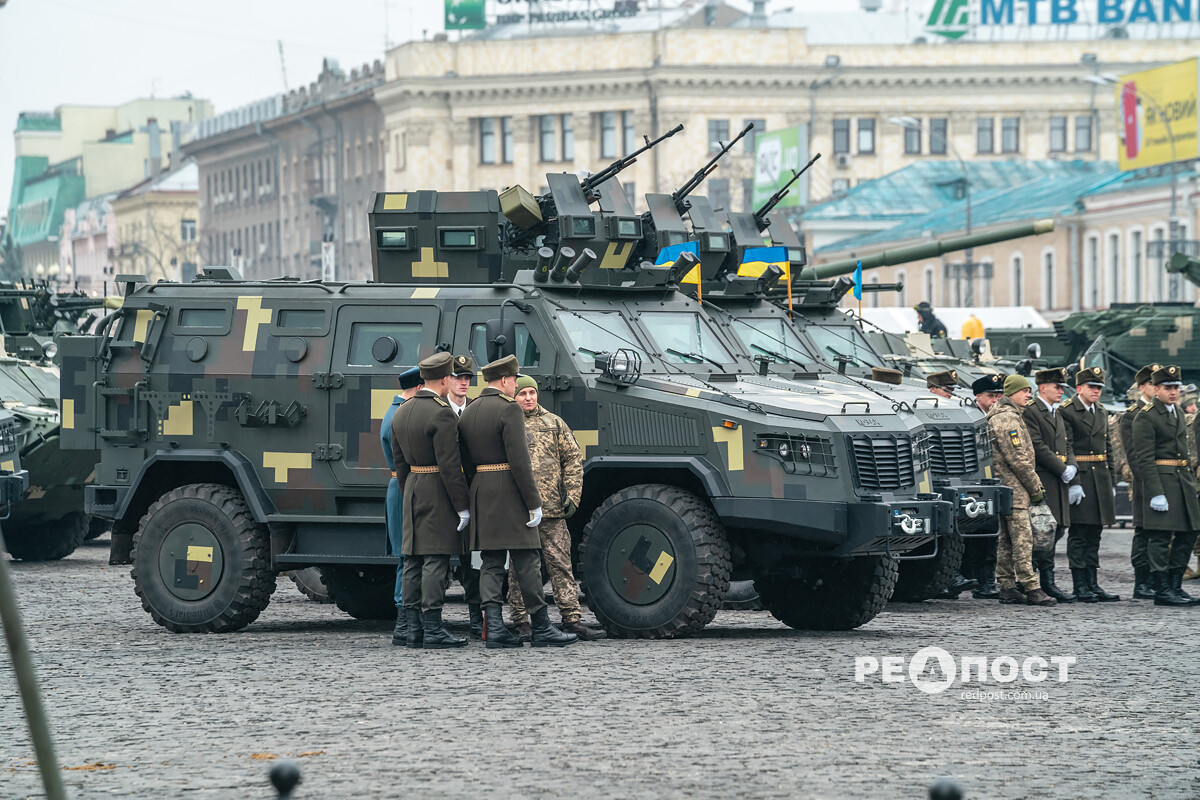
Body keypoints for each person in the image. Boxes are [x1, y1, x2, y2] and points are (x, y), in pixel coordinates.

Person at [458, 355, 577, 648]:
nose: (516, 387)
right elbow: (520, 461)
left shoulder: (470, 410)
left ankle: (495, 628)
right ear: (504, 381)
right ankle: (541, 626)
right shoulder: (508, 409)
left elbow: (464, 459)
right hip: (511, 492)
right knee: (527, 560)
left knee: (491, 562)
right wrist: (533, 502)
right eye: (514, 381)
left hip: (481, 491)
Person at [505, 375, 603, 641]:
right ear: (514, 397)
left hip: (551, 510)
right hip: (519, 511)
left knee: (561, 564)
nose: (528, 398)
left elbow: (572, 459)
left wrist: (573, 495)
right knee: (519, 570)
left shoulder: (554, 423)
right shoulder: (507, 423)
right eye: (522, 393)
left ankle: (572, 619)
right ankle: (521, 621)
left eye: (531, 393)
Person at [391, 352, 472, 649]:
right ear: (444, 379)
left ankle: (413, 629)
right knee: (435, 559)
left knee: (412, 558)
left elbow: (400, 463)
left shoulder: (403, 410)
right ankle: (434, 627)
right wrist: (462, 505)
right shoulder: (442, 413)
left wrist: (408, 490)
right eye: (452, 376)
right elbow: (451, 466)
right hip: (436, 486)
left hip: (412, 485)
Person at [1131, 365, 1200, 606]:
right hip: (1163, 480)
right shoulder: (1147, 415)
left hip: (1182, 479)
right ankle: (1161, 589)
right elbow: (1144, 459)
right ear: (1156, 389)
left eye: (1176, 388)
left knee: (1188, 533)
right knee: (1160, 537)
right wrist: (1155, 492)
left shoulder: (1177, 412)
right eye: (1167, 388)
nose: (1173, 392)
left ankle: (1175, 585)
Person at [987, 374, 1055, 606]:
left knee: (1006, 541)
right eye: (1025, 391)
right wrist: (1035, 487)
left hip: (1007, 488)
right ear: (1012, 393)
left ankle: (1007, 586)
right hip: (1015, 489)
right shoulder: (1008, 419)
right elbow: (1018, 459)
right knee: (1023, 540)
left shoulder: (1007, 415)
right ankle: (1032, 587)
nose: (1029, 395)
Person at [1058, 366, 1119, 602]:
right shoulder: (1068, 411)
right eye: (1092, 387)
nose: (1096, 391)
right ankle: (1079, 584)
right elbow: (1067, 447)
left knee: (1095, 533)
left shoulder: (1101, 411)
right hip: (1081, 476)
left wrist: (1112, 480)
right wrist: (1073, 481)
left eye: (1099, 388)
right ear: (1079, 388)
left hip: (1100, 477)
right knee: (1079, 533)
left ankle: (1092, 582)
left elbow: (1108, 448)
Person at [1022, 366, 1081, 603]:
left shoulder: (1056, 412)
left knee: (1057, 529)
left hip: (1059, 480)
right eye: (1057, 387)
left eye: (1062, 388)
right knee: (1042, 532)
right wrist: (1062, 468)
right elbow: (1037, 445)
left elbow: (1067, 444)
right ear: (1042, 387)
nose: (1060, 392)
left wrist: (1073, 469)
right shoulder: (1032, 411)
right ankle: (1039, 581)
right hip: (1045, 478)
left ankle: (1046, 581)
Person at [381, 365, 424, 646]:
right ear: (420, 388)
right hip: (403, 485)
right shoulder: (401, 415)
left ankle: (407, 619)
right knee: (407, 556)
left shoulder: (395, 412)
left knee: (407, 556)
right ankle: (404, 619)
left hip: (400, 485)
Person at [446, 354, 483, 639]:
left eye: (467, 378)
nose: (463, 383)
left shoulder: (476, 410)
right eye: (459, 378)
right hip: (442, 494)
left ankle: (475, 617)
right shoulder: (437, 410)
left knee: (474, 560)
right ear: (446, 380)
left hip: (472, 493)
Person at [1119, 364, 1161, 599]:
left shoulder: (1163, 411)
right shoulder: (1132, 415)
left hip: (1164, 481)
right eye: (1153, 385)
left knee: (1160, 532)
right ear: (1143, 387)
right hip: (1145, 482)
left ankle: (1157, 580)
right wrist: (1150, 483)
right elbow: (1134, 455)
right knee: (1144, 530)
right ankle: (1142, 582)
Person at [964, 373, 1007, 599]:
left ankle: (986, 581)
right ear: (978, 396)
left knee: (990, 533)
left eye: (999, 396)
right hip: (971, 481)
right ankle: (969, 578)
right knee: (970, 534)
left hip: (993, 481)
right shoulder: (968, 417)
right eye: (991, 396)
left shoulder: (1000, 417)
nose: (995, 400)